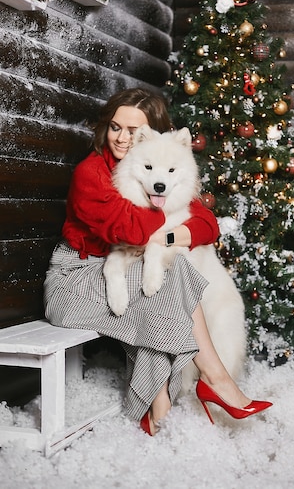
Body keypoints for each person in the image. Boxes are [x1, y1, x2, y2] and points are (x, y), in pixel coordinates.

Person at [44, 87, 272, 436]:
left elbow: (206, 223)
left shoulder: (149, 169)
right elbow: (133, 229)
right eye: (116, 127)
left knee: (163, 281)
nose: (122, 138)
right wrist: (170, 216)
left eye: (133, 131)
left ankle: (163, 405)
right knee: (171, 271)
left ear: (148, 135)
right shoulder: (92, 175)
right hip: (76, 278)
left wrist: (170, 230)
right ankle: (210, 383)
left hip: (119, 270)